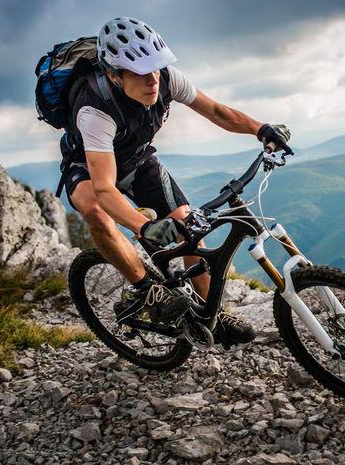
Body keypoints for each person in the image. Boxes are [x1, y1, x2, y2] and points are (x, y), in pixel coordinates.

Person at [63, 17, 291, 347]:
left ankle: (214, 313)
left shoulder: (167, 79)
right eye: (139, 72)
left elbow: (216, 111)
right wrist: (144, 227)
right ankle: (147, 289)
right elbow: (104, 188)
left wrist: (261, 129)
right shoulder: (95, 110)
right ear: (114, 75)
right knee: (95, 211)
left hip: (138, 160)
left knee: (188, 225)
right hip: (89, 166)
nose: (152, 79)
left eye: (155, 67)